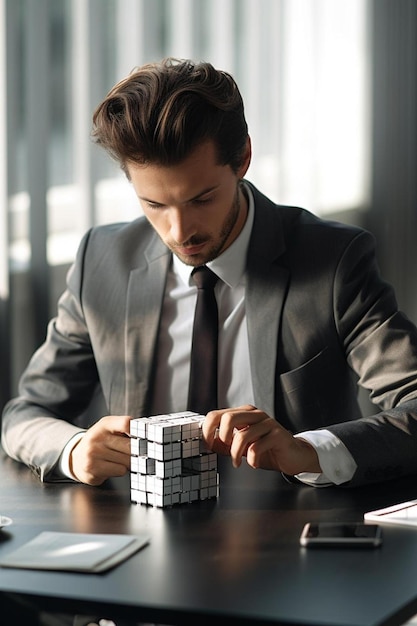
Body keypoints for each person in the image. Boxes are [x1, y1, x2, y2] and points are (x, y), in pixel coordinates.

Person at [3, 56, 417, 491]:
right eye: (155, 206)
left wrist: (308, 451)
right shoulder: (101, 261)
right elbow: (25, 414)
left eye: (201, 199)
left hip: (290, 538)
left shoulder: (334, 260)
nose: (180, 232)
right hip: (140, 538)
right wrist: (74, 449)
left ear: (243, 159)